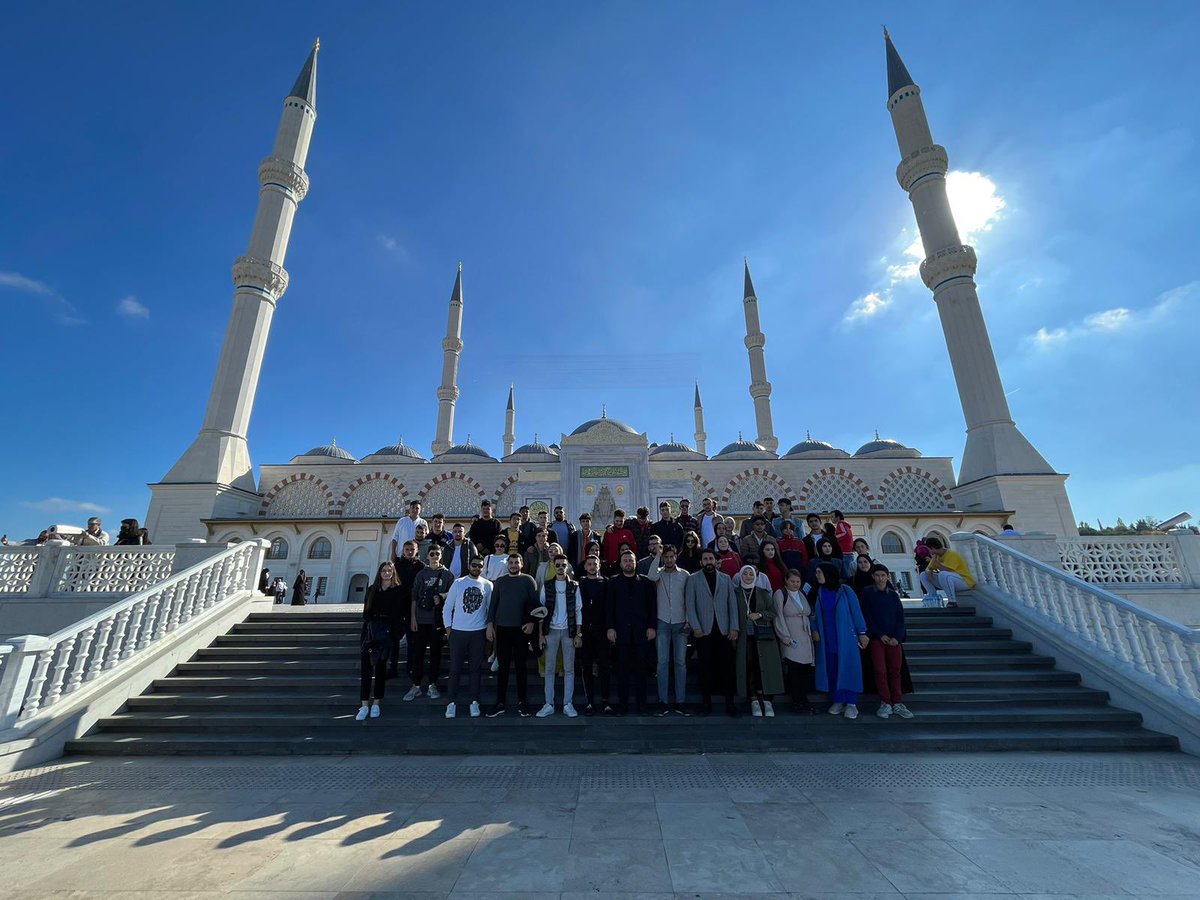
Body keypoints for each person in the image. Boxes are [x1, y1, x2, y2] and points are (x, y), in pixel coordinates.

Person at [812, 562, 869, 719]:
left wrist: (862, 632)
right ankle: (838, 699)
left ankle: (851, 703)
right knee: (832, 670)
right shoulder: (820, 592)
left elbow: (856, 612)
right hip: (827, 639)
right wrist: (814, 629)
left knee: (849, 669)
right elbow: (814, 615)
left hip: (846, 638)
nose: (817, 575)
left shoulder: (845, 590)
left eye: (819, 572)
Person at [686, 549, 740, 717]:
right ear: (701, 562)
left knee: (726, 667)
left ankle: (730, 703)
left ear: (716, 561)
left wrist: (734, 627)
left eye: (711, 558)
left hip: (723, 630)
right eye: (705, 559)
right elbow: (690, 604)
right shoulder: (693, 579)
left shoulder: (725, 579)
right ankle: (706, 702)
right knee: (705, 667)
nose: (708, 561)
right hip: (703, 630)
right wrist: (695, 626)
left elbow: (732, 604)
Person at [486, 553, 539, 717]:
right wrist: (489, 625)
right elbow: (493, 605)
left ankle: (523, 702)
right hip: (502, 629)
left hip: (521, 630)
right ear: (507, 564)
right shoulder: (501, 581)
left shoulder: (528, 580)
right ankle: (500, 702)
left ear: (522, 564)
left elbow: (534, 604)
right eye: (511, 562)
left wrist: (531, 622)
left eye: (517, 562)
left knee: (521, 667)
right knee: (503, 668)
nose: (514, 565)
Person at [860, 563, 914, 719]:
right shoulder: (867, 593)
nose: (880, 578)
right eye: (877, 575)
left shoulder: (893, 595)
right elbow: (866, 616)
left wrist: (897, 637)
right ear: (873, 577)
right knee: (880, 671)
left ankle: (897, 702)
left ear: (887, 576)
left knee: (895, 671)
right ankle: (885, 702)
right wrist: (879, 634)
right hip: (878, 639)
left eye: (883, 575)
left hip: (894, 640)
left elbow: (900, 618)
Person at [605, 548, 656, 715]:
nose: (628, 563)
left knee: (642, 671)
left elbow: (652, 607)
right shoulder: (613, 582)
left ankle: (642, 706)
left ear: (636, 563)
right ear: (620, 564)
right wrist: (610, 628)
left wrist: (652, 626)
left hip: (642, 633)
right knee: (622, 671)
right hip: (621, 634)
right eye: (625, 560)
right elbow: (609, 608)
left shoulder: (647, 583)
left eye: (631, 560)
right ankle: (623, 706)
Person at [443, 556, 493, 718]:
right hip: (458, 632)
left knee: (475, 669)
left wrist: (489, 627)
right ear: (469, 565)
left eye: (480, 566)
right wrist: (449, 628)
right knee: (455, 669)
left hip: (478, 633)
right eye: (474, 565)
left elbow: (489, 609)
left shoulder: (488, 585)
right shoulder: (458, 583)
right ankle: (451, 702)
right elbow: (448, 607)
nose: (476, 568)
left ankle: (474, 701)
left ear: (483, 567)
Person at [357, 560, 406, 720]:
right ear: (379, 572)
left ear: (393, 573)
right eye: (384, 571)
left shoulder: (398, 590)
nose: (386, 573)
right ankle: (364, 704)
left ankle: (377, 702)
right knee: (366, 670)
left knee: (380, 670)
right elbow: (366, 612)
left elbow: (399, 614)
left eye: (389, 571)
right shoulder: (372, 589)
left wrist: (394, 633)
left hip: (385, 635)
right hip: (371, 634)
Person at [734, 565, 785, 717]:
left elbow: (773, 612)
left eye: (751, 574)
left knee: (764, 667)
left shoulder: (762, 593)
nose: (748, 576)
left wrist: (760, 615)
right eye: (745, 574)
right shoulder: (735, 593)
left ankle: (767, 700)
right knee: (749, 667)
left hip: (762, 637)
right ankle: (754, 699)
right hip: (744, 637)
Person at [646, 544, 691, 716]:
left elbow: (688, 598)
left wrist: (688, 620)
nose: (669, 559)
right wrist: (657, 556)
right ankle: (662, 701)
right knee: (662, 662)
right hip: (663, 622)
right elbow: (650, 576)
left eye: (672, 556)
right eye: (666, 557)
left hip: (681, 622)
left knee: (680, 663)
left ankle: (681, 701)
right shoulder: (659, 574)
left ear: (676, 557)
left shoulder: (685, 575)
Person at [536, 554, 583, 718]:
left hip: (569, 631)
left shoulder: (574, 586)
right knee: (549, 669)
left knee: (569, 669)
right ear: (554, 566)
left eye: (563, 565)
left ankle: (567, 703)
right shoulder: (547, 585)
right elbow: (541, 612)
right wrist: (541, 635)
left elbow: (578, 610)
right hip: (551, 631)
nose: (561, 568)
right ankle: (548, 703)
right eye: (558, 565)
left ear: (567, 566)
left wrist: (578, 633)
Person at [406, 545, 454, 701]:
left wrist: (442, 595)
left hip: (437, 621)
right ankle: (416, 685)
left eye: (437, 553)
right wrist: (413, 618)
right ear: (427, 556)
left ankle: (432, 684)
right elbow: (414, 597)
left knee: (435, 654)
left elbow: (452, 595)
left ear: (441, 556)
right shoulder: (421, 574)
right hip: (420, 619)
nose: (434, 556)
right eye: (432, 553)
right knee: (418, 653)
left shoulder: (447, 575)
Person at [773, 569, 816, 713]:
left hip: (804, 636)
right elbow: (778, 615)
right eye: (792, 581)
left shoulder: (801, 594)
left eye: (798, 581)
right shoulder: (780, 594)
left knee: (803, 670)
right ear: (786, 580)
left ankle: (803, 700)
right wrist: (784, 635)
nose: (795, 584)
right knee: (794, 669)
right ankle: (798, 701)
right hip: (791, 635)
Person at [576, 554, 611, 715]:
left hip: (602, 630)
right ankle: (590, 701)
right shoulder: (580, 584)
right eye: (589, 564)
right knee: (586, 666)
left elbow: (612, 607)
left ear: (599, 566)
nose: (591, 566)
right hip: (585, 630)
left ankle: (605, 701)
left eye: (594, 564)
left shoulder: (606, 583)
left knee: (604, 665)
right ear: (585, 567)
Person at [392, 540, 425, 678]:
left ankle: (410, 668)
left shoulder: (421, 566)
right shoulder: (397, 565)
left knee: (412, 640)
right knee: (395, 639)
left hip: (413, 607)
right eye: (407, 549)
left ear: (417, 550)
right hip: (398, 606)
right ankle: (392, 668)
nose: (410, 552)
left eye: (412, 549)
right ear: (403, 551)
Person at [919, 536, 975, 607]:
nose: (929, 552)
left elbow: (948, 570)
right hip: (949, 580)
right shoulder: (937, 556)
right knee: (923, 575)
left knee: (943, 574)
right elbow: (928, 569)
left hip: (964, 581)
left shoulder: (952, 554)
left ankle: (952, 601)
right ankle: (933, 597)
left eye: (929, 549)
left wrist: (938, 564)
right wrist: (929, 572)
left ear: (932, 548)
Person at [601, 509, 637, 576]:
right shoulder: (609, 532)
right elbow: (605, 549)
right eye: (617, 521)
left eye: (621, 521)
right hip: (612, 566)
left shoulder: (628, 533)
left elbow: (633, 549)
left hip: (626, 566)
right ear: (613, 520)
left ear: (624, 520)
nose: (619, 523)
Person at [832, 510, 855, 575]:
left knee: (846, 573)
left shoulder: (841, 524)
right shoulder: (844, 525)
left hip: (845, 552)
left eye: (832, 516)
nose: (831, 518)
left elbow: (844, 533)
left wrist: (835, 538)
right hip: (848, 552)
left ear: (838, 517)